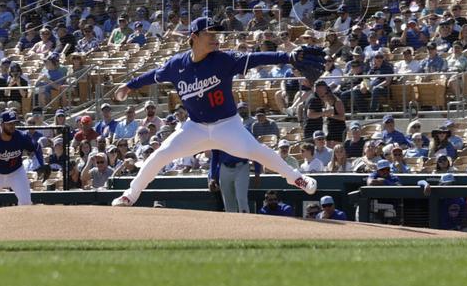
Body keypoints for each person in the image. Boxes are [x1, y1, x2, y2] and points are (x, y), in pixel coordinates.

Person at [109, 17, 319, 206]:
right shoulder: (176, 65)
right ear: (194, 36)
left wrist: (288, 56)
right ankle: (130, 195)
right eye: (209, 33)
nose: (215, 37)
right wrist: (129, 86)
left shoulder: (223, 59)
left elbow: (256, 58)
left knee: (259, 151)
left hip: (227, 126)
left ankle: (297, 178)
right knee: (161, 154)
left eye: (216, 33)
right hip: (195, 128)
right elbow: (154, 74)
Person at [208, 149, 260, 214]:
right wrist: (212, 177)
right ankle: (232, 223)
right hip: (224, 167)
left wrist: (257, 171)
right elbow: (215, 154)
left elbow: (253, 149)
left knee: (241, 199)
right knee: (228, 204)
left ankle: (245, 222)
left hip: (242, 166)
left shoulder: (243, 137)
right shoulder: (219, 138)